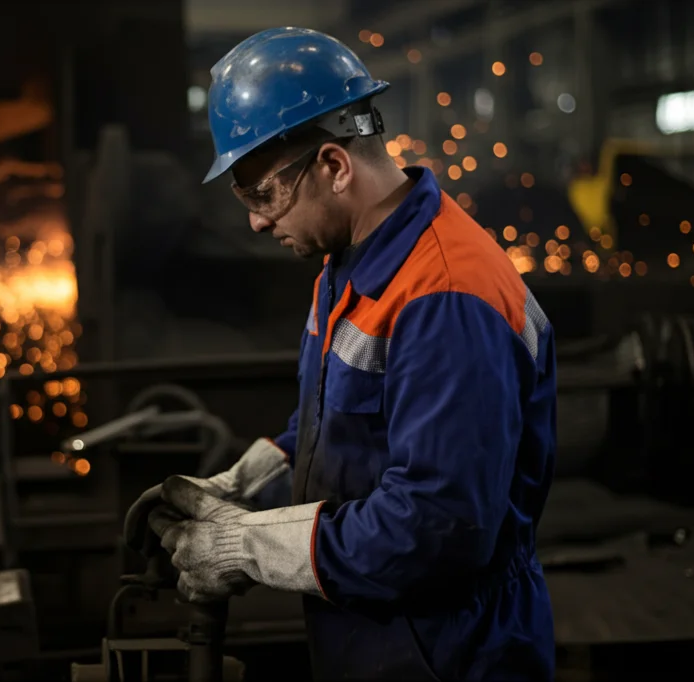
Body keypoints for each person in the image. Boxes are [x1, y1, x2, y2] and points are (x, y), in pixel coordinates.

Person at [128, 26, 557, 681]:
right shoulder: (349, 263)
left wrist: (247, 547)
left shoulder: (444, 295)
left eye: (262, 194)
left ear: (332, 166)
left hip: (450, 652)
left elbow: (437, 527)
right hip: (375, 637)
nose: (256, 222)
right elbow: (336, 431)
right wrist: (237, 489)